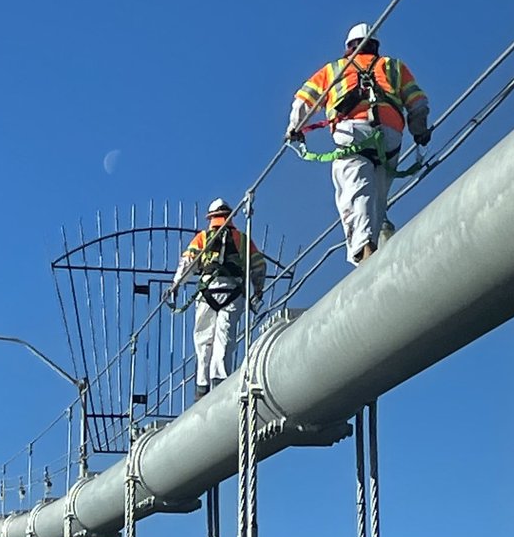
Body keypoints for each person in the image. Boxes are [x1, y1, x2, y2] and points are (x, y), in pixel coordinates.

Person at [286, 23, 430, 264]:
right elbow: (418, 102)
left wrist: (294, 129)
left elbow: (303, 102)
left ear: (348, 48)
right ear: (375, 46)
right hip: (390, 136)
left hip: (353, 131)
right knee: (378, 195)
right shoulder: (393, 66)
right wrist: (420, 131)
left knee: (353, 189)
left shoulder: (334, 69)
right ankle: (378, 234)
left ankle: (364, 249)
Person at [171, 198, 267, 400]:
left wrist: (176, 285)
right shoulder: (243, 239)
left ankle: (202, 386)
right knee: (225, 338)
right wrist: (258, 288)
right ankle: (219, 383)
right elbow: (258, 265)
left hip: (208, 293)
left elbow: (187, 263)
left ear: (211, 218)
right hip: (233, 293)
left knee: (203, 339)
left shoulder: (202, 238)